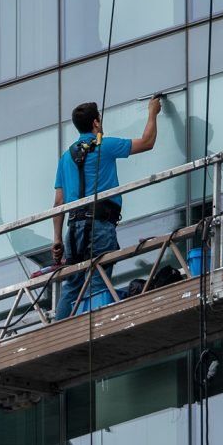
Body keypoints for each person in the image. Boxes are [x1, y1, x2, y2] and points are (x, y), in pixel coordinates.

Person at [52, 96, 159, 319]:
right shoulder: (105, 145)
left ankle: (58, 330)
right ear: (96, 123)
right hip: (100, 224)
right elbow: (147, 142)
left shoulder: (65, 158)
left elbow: (59, 203)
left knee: (72, 286)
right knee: (98, 280)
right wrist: (152, 112)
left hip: (73, 229)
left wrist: (57, 239)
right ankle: (93, 327)